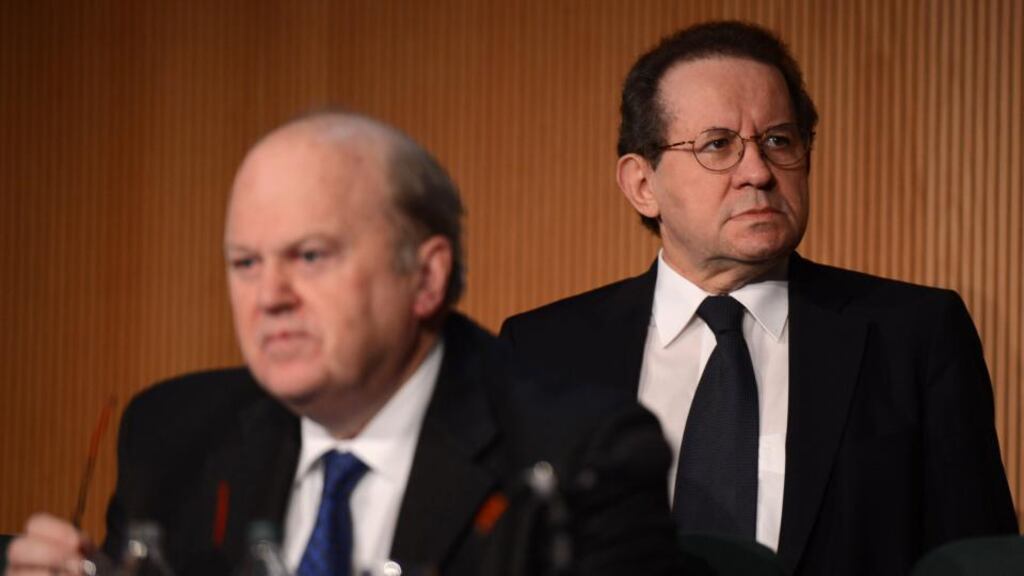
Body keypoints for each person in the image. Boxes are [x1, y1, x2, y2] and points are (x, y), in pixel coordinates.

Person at [5, 112, 680, 576]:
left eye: (310, 256)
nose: (269, 295)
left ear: (424, 276)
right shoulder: (174, 436)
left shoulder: (577, 455)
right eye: (245, 263)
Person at [500, 20, 1018, 576]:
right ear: (642, 184)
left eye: (778, 140)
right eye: (718, 145)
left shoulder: (914, 335)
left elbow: (975, 559)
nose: (758, 172)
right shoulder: (542, 352)